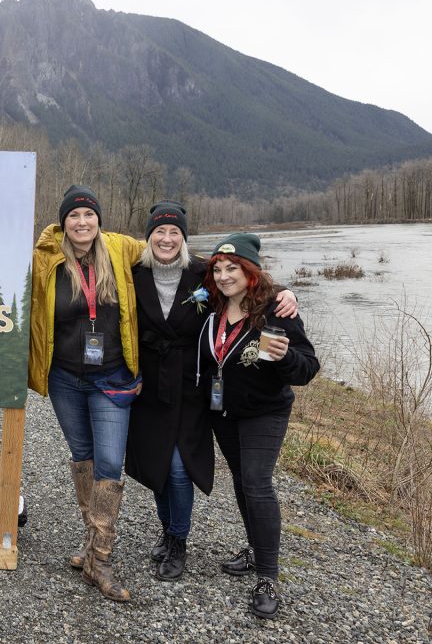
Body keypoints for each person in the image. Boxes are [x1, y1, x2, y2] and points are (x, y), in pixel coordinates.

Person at [125, 203, 297, 582]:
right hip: (149, 383)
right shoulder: (133, 273)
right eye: (159, 232)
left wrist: (285, 293)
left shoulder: (203, 271)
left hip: (193, 385)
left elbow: (246, 278)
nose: (167, 239)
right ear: (149, 237)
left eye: (174, 232)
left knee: (178, 466)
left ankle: (179, 539)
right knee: (156, 463)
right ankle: (168, 531)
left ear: (184, 238)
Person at [28, 185, 144, 602]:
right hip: (65, 378)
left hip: (111, 377)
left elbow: (170, 255)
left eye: (89, 215)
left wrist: (273, 289)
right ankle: (92, 549)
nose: (82, 222)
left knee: (109, 464)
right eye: (74, 216)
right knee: (83, 458)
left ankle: (102, 560)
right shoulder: (47, 259)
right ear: (64, 223)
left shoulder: (120, 248)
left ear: (99, 220)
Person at [198, 233, 319, 619]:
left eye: (232, 268)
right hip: (223, 412)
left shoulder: (275, 311)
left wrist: (285, 358)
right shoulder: (212, 305)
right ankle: (254, 549)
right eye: (218, 269)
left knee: (256, 483)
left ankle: (268, 576)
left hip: (265, 411)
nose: (224, 276)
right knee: (241, 480)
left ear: (250, 271)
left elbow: (307, 367)